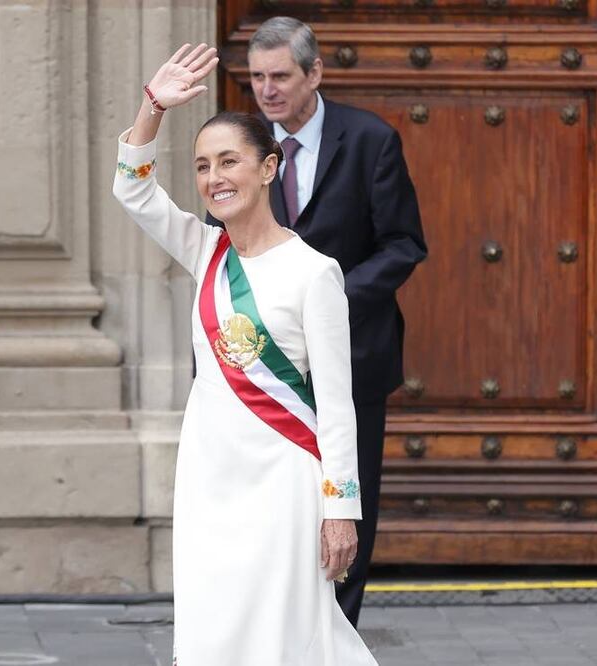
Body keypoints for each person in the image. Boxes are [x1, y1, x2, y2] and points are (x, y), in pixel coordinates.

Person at [113, 43, 378, 665]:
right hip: (210, 477)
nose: (214, 179)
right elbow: (134, 191)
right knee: (212, 627)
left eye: (229, 161)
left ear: (268, 167)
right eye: (203, 167)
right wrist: (152, 108)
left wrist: (341, 511)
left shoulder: (316, 273)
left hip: (285, 483)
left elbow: (338, 406)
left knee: (287, 634)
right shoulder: (206, 252)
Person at [208, 17, 428, 626]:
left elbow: (404, 245)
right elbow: (217, 242)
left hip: (352, 361)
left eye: (280, 76)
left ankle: (338, 640)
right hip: (260, 369)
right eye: (256, 77)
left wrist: (323, 300)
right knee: (270, 512)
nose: (267, 90)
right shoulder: (243, 144)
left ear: (315, 74)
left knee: (346, 512)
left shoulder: (370, 140)